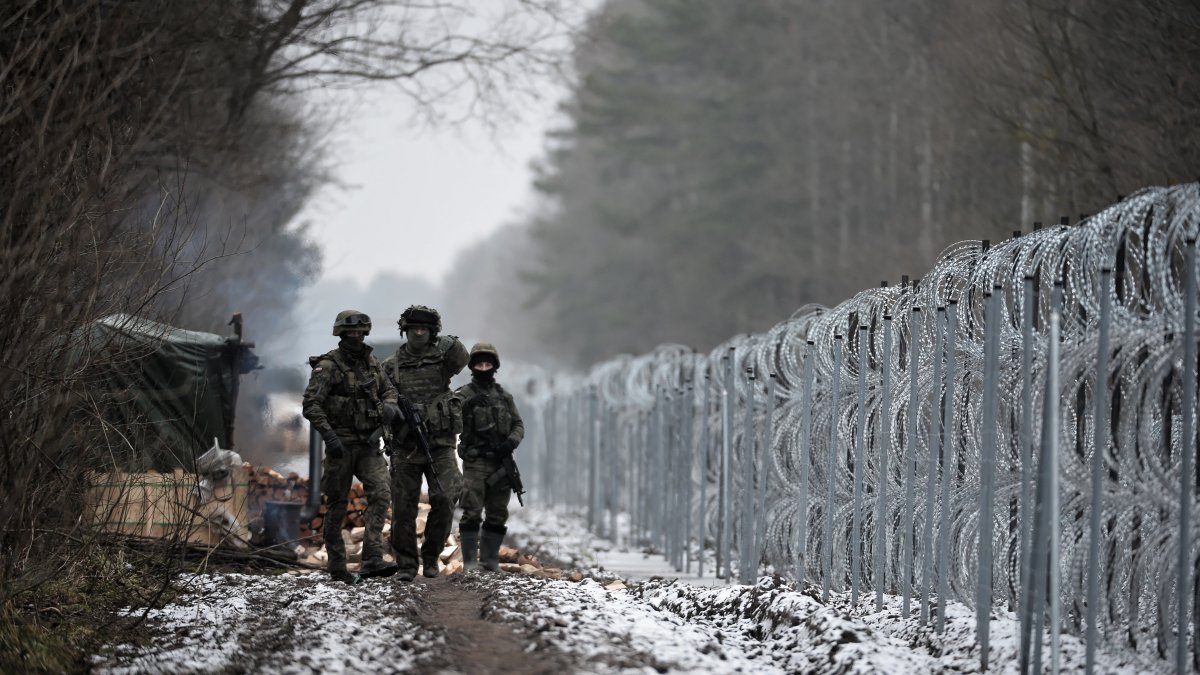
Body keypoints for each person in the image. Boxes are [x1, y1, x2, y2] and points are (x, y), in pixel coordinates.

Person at [302, 310, 400, 584]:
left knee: (381, 494)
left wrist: (389, 407)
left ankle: (372, 558)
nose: (356, 337)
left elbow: (388, 390)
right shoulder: (329, 366)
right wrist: (330, 438)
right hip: (340, 446)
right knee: (336, 504)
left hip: (368, 444)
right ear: (341, 335)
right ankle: (337, 567)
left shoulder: (371, 363)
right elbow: (311, 404)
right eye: (350, 333)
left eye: (360, 333)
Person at [381, 305, 467, 581]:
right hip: (405, 446)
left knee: (445, 495)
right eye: (414, 328)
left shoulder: (442, 359)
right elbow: (381, 400)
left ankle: (431, 556)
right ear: (405, 330)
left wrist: (446, 341)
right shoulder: (390, 367)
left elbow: (462, 356)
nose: (419, 333)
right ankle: (407, 564)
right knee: (403, 506)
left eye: (424, 329)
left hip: (440, 444)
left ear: (432, 332)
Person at [454, 342, 524, 571]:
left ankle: (490, 560)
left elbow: (518, 424)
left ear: (495, 366)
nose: (484, 368)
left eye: (488, 364)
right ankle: (470, 562)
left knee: (498, 512)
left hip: (500, 463)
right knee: (472, 510)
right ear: (472, 367)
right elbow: (448, 419)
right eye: (479, 364)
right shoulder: (463, 395)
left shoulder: (504, 396)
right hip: (475, 462)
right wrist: (466, 405)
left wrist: (510, 442)